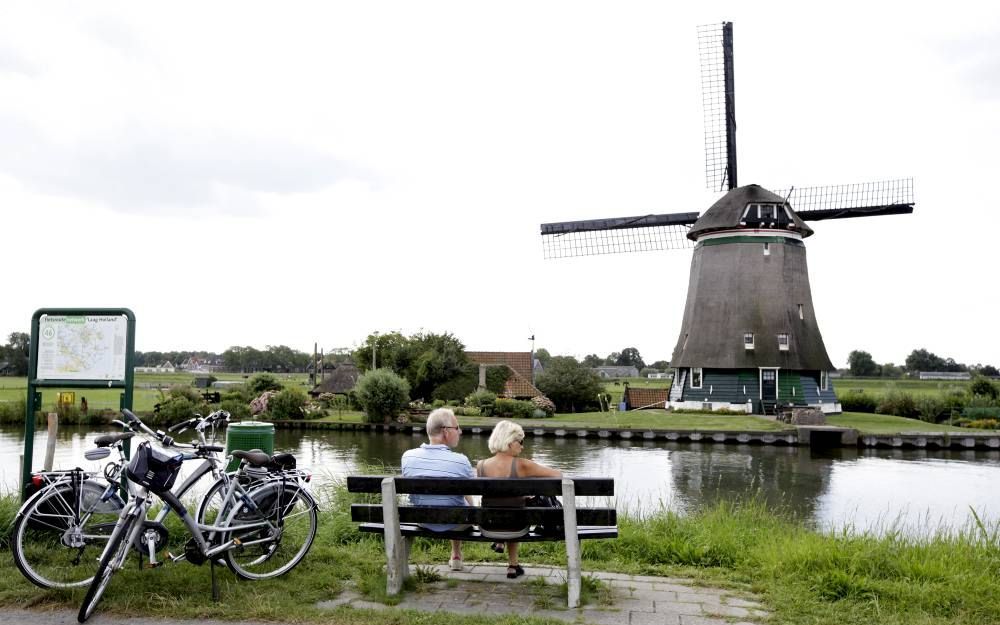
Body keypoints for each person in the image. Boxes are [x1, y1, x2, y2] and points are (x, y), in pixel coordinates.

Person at [477, 420, 561, 579]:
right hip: (516, 527)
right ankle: (512, 566)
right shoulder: (523, 465)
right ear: (509, 443)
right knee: (516, 511)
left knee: (507, 508)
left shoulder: (481, 466)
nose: (523, 446)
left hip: (488, 526)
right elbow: (558, 475)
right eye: (520, 442)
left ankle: (506, 555)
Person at [401, 407, 474, 571]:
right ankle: (456, 554)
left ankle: (455, 555)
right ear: (446, 432)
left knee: (453, 500)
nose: (460, 432)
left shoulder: (408, 456)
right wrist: (474, 508)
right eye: (457, 428)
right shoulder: (461, 461)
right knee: (460, 502)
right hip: (455, 523)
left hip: (422, 519)